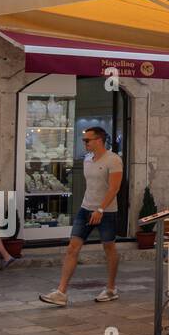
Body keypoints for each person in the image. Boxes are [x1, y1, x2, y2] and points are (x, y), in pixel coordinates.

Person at [40, 126, 123, 307]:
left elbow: (114, 188)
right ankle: (61, 292)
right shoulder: (86, 159)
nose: (84, 143)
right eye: (83, 140)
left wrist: (100, 210)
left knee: (109, 248)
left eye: (87, 140)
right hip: (85, 209)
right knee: (72, 248)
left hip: (106, 212)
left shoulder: (113, 160)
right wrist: (91, 208)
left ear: (99, 140)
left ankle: (111, 288)